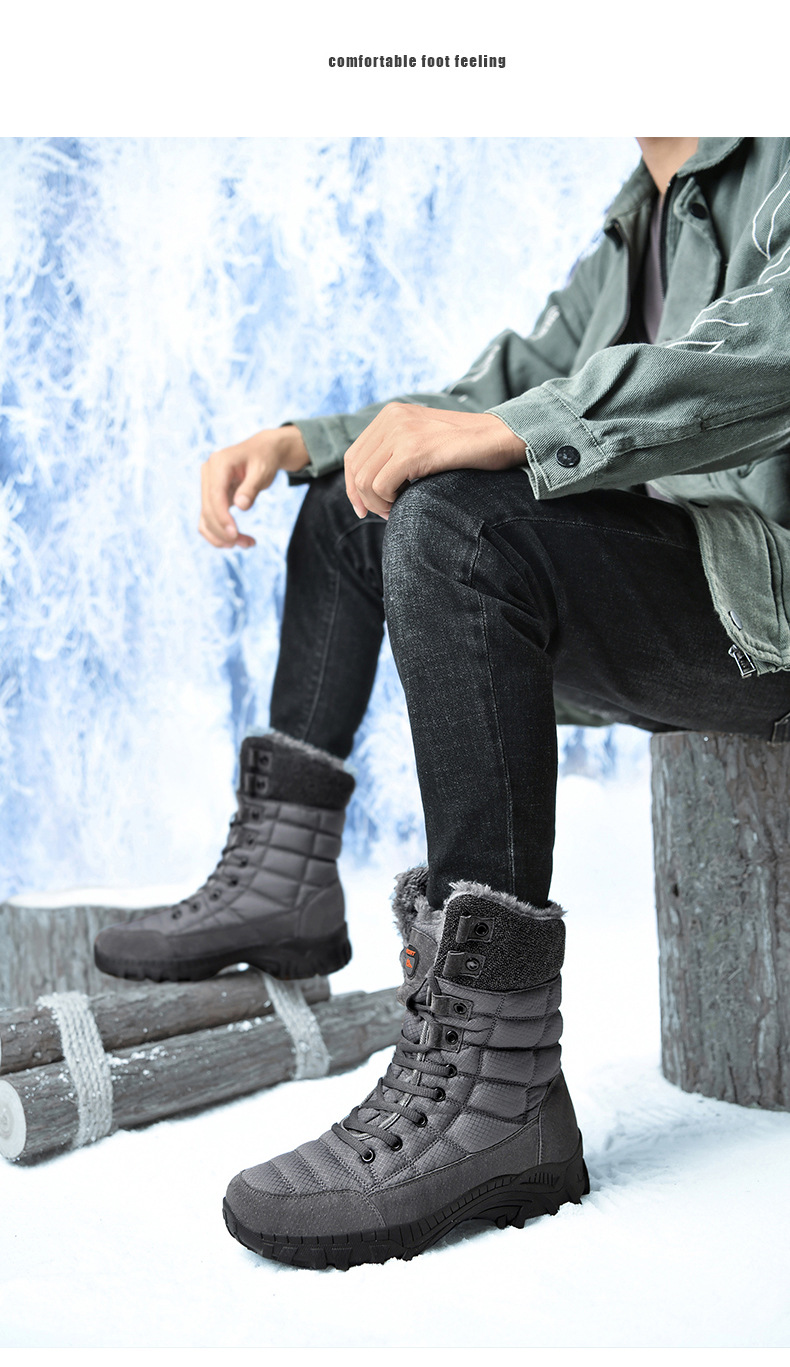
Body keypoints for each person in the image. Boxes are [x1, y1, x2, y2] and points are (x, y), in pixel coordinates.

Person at [96, 138, 790, 1268]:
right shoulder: (642, 217)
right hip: (680, 592)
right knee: (356, 504)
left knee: (460, 524)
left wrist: (518, 433)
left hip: (768, 608)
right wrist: (308, 441)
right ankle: (282, 880)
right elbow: (497, 389)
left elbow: (768, 355)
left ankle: (498, 1085)